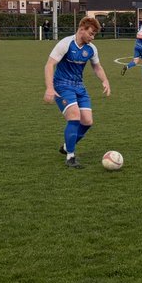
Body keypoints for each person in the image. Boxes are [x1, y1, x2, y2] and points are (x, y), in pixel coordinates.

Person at [43, 16, 111, 169]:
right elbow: (49, 65)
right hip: (62, 85)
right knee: (74, 117)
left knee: (87, 121)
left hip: (79, 86)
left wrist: (105, 80)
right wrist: (49, 87)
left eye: (94, 34)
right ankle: (70, 157)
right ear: (82, 29)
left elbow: (97, 67)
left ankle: (67, 146)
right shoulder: (65, 44)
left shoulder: (91, 49)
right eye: (91, 33)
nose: (92, 37)